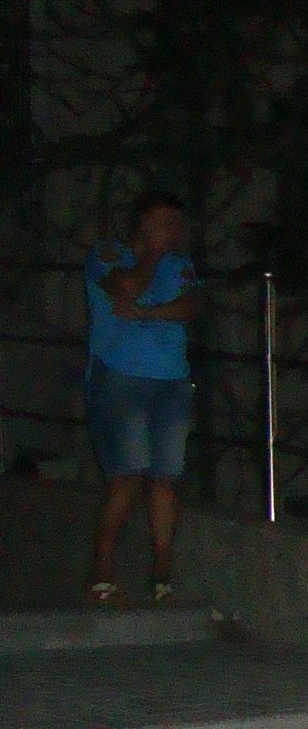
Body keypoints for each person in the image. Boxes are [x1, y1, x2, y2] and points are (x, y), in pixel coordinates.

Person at [83, 190, 203, 604]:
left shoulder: (180, 263)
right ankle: (102, 567)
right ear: (143, 223)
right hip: (122, 378)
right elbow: (127, 287)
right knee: (128, 473)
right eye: (165, 222)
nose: (174, 230)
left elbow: (193, 306)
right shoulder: (108, 254)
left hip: (172, 380)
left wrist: (151, 313)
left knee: (166, 477)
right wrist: (150, 253)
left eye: (176, 223)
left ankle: (162, 574)